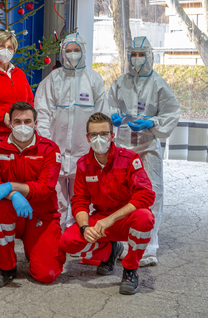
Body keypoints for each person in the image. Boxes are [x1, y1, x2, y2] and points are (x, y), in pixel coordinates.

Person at [59, 113, 155, 295]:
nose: (99, 139)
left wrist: (111, 219)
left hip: (127, 218)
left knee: (145, 217)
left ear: (112, 136)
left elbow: (146, 195)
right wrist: (84, 227)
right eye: (94, 135)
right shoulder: (83, 165)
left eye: (104, 134)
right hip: (101, 220)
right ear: (87, 138)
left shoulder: (130, 159)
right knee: (67, 241)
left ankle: (130, 270)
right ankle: (111, 250)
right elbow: (79, 201)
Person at [108, 36, 180, 267]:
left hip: (147, 147)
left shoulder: (158, 84)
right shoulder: (120, 83)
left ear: (149, 56)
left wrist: (153, 123)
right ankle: (124, 242)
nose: (137, 59)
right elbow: (108, 107)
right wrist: (114, 118)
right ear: (128, 56)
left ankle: (148, 248)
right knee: (123, 194)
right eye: (134, 54)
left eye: (141, 54)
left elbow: (172, 112)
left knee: (152, 194)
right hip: (123, 147)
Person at [0, 102, 65, 288]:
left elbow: (45, 188)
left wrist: (11, 186)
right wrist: (14, 196)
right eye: (17, 121)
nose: (22, 126)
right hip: (10, 211)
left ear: (36, 124)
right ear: (9, 124)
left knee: (47, 274)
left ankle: (33, 246)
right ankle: (6, 267)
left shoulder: (50, 149)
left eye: (27, 121)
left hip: (42, 216)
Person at [34, 32, 109, 230]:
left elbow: (102, 115)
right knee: (55, 199)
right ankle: (54, 238)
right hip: (55, 152)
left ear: (83, 52)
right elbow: (42, 113)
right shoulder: (53, 79)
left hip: (84, 153)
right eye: (69, 51)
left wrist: (99, 145)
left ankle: (78, 238)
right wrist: (46, 145)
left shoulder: (94, 79)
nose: (72, 54)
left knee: (82, 200)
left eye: (76, 51)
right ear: (62, 53)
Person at [0, 32, 34, 155]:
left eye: (9, 47)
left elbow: (29, 101)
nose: (6, 50)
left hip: (20, 134)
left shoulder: (19, 74)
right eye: (1, 46)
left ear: (14, 51)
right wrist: (2, 116)